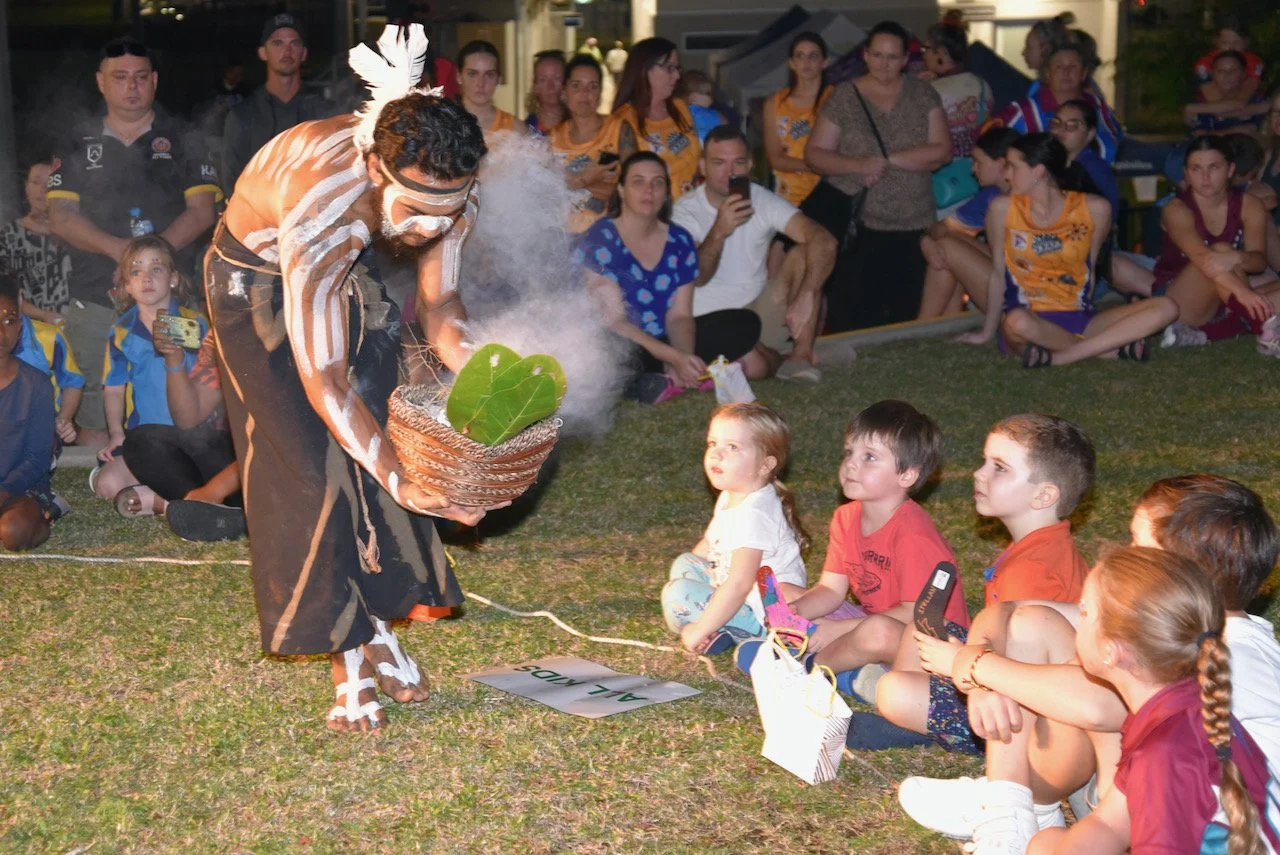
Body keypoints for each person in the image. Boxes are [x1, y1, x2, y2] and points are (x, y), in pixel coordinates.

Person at [206, 24, 498, 732]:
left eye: (448, 210)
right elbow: (324, 381)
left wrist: (494, 369)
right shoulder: (325, 204)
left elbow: (443, 307)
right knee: (309, 465)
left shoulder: (448, 188)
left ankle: (377, 625)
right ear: (376, 169)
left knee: (385, 425)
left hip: (343, 271)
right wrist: (405, 478)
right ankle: (350, 656)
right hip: (256, 284)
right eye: (420, 208)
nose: (432, 228)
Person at [900, 474, 1280, 853]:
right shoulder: (1175, 624)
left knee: (1082, 680)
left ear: (1177, 573)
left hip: (1194, 820)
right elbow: (1011, 611)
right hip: (1128, 800)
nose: (1125, 553)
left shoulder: (1224, 656)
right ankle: (1009, 808)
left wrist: (976, 666)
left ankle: (1017, 805)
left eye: (1137, 545)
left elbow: (1098, 707)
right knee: (1033, 626)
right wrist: (977, 665)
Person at [1029, 548, 1279, 854]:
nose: (1078, 620)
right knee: (1047, 844)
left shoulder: (1163, 755)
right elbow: (1111, 822)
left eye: (1084, 611)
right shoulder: (1186, 705)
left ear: (1110, 651)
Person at [873, 413, 1093, 755]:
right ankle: (915, 718)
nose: (979, 473)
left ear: (1043, 495)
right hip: (1002, 674)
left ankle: (921, 718)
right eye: (984, 462)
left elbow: (1023, 676)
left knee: (891, 690)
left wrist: (958, 662)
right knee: (920, 629)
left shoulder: (1033, 569)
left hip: (1025, 715)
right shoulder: (1041, 546)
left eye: (999, 467)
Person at [48, 36, 220, 439]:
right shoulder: (77, 140)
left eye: (140, 77)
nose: (131, 86)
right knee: (94, 399)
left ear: (155, 81)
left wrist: (151, 259)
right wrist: (121, 252)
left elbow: (202, 212)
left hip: (170, 302)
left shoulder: (183, 137)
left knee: (175, 394)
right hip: (94, 295)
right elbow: (59, 216)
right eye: (120, 77)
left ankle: (165, 472)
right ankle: (108, 469)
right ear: (101, 82)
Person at [770, 401, 968, 681]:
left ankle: (806, 670)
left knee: (876, 632)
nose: (851, 463)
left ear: (907, 474)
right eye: (850, 452)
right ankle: (853, 670)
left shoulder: (914, 535)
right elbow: (830, 589)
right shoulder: (846, 517)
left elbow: (914, 613)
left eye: (869, 457)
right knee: (785, 591)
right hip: (869, 622)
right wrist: (795, 614)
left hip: (928, 646)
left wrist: (838, 630)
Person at [961, 134, 1178, 367]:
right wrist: (987, 332)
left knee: (1167, 307)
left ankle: (1061, 356)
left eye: (1012, 167)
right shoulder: (1002, 208)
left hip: (1080, 317)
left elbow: (1090, 270)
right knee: (1016, 323)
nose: (1005, 175)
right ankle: (1107, 350)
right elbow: (997, 274)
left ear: (1038, 172)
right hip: (1029, 319)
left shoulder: (1094, 208)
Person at [574, 152, 757, 404]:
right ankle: (659, 376)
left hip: (663, 340)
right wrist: (674, 357)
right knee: (609, 355)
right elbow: (614, 320)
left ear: (666, 193)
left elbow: (680, 316)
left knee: (744, 323)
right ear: (622, 190)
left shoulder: (680, 240)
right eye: (638, 181)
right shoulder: (600, 238)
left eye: (657, 182)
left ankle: (669, 378)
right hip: (621, 340)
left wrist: (683, 357)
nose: (649, 190)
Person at [805, 21, 952, 331]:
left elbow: (942, 151)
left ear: (904, 59)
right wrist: (859, 165)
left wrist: (887, 160)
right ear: (866, 56)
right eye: (878, 55)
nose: (885, 64)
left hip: (915, 222)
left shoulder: (923, 93)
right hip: (861, 225)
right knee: (855, 316)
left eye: (893, 57)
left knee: (907, 313)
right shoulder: (845, 96)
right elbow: (815, 154)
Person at [671, 125, 836, 382]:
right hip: (708, 322)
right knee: (752, 367)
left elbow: (824, 241)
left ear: (749, 165)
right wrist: (718, 231)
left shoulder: (762, 200)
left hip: (757, 312)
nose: (730, 172)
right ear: (703, 167)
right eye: (719, 163)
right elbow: (698, 277)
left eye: (738, 162)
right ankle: (779, 358)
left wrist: (807, 293)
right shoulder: (685, 211)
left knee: (806, 253)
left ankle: (801, 357)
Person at [662, 403, 810, 653]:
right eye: (712, 444)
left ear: (764, 465)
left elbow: (740, 584)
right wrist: (694, 570)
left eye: (732, 447)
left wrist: (697, 629)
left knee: (678, 594)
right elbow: (709, 545)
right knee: (684, 564)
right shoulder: (733, 493)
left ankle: (720, 629)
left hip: (764, 614)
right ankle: (722, 627)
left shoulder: (755, 515)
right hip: (734, 590)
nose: (716, 455)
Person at [90, 236, 208, 509]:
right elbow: (114, 388)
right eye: (136, 271)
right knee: (107, 486)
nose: (146, 278)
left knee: (199, 476)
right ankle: (163, 497)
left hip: (193, 436)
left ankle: (154, 499)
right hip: (146, 439)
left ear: (174, 279)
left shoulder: (196, 323)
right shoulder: (121, 331)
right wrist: (117, 433)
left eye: (156, 269)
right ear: (127, 285)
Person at [1151, 136, 1280, 354]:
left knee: (1226, 255)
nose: (1205, 177)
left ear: (1230, 170)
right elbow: (1205, 261)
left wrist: (1238, 257)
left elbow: (1258, 262)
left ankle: (1208, 333)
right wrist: (1245, 293)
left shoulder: (1250, 205)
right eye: (1196, 168)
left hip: (1229, 296)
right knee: (1219, 251)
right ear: (1186, 173)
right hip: (1182, 300)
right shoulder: (1176, 209)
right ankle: (1261, 328)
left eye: (1214, 167)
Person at [222, 14, 336, 192]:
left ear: (304, 53)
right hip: (260, 217)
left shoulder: (326, 113)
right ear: (262, 52)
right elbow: (233, 188)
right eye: (277, 43)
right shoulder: (242, 116)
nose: (287, 51)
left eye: (294, 43)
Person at [917, 127, 1019, 318]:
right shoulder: (991, 195)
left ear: (1001, 164)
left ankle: (921, 327)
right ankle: (947, 325)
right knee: (947, 243)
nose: (973, 169)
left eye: (978, 162)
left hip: (1027, 297)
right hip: (1007, 277)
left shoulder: (1031, 196)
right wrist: (927, 242)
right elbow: (942, 229)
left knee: (947, 247)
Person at [0, 276, 61, 552]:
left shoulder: (35, 384)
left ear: (20, 328)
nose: (1, 333)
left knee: (14, 532)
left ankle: (46, 512)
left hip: (19, 487)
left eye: (9, 321)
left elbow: (37, 458)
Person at [994, 42, 1122, 164]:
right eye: (1059, 66)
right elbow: (993, 152)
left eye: (1073, 66)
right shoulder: (1022, 111)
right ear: (1047, 73)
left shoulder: (1100, 108)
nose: (1066, 72)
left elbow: (1117, 143)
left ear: (1083, 73)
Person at [613, 38, 700, 200]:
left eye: (677, 68)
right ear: (645, 69)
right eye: (669, 68)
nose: (677, 75)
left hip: (694, 210)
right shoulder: (622, 121)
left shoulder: (680, 107)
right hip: (656, 215)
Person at [549, 55, 623, 235]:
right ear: (564, 92)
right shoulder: (551, 140)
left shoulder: (618, 129)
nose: (585, 93)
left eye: (593, 86)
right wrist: (586, 177)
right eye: (576, 86)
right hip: (564, 240)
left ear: (600, 93)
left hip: (610, 236)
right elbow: (547, 195)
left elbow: (634, 184)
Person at [922, 21, 993, 206]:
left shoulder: (930, 90)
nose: (924, 54)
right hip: (977, 173)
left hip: (939, 176)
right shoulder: (982, 85)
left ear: (942, 52)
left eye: (926, 48)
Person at [762, 32, 832, 209]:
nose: (806, 62)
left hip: (829, 194)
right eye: (800, 56)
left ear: (825, 62)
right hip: (788, 198)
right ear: (791, 63)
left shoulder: (836, 99)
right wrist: (813, 166)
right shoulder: (775, 103)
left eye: (813, 56)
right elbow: (775, 158)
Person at [0, 161, 72, 324]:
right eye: (36, 182)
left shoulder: (78, 233)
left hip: (80, 327)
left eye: (50, 183)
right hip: (29, 330)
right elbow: (4, 290)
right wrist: (42, 315)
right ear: (26, 188)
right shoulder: (8, 235)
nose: (43, 189)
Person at [1051, 99, 1118, 217]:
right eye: (1056, 123)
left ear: (1090, 134)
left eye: (1071, 125)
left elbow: (1108, 217)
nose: (1060, 130)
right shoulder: (1047, 163)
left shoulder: (1096, 169)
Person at [1184, 51, 1269, 138]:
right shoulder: (1199, 100)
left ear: (1244, 74)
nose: (1227, 75)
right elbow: (1195, 133)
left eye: (1233, 70)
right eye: (1220, 71)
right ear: (1212, 75)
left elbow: (1253, 130)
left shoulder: (1256, 100)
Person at [458, 40, 523, 144]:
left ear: (499, 79)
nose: (480, 83)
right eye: (472, 74)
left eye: (489, 75)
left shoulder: (516, 129)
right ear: (459, 76)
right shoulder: (442, 125)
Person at [1193, 15, 1264, 100]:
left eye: (1237, 43)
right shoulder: (1204, 63)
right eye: (1225, 43)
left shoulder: (1254, 62)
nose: (1231, 48)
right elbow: (1214, 99)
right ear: (1216, 42)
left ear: (1246, 42)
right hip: (1210, 107)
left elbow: (1242, 98)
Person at [676, 70, 726, 144]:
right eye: (708, 94)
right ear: (693, 97)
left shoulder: (677, 113)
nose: (712, 98)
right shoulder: (709, 114)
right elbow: (729, 130)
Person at [524, 50, 565, 136]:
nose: (550, 87)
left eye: (556, 78)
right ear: (535, 86)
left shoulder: (577, 124)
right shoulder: (526, 130)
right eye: (543, 80)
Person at [1021, 14, 1075, 80]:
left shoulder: (1063, 87)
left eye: (1029, 47)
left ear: (1045, 49)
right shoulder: (1040, 85)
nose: (1023, 53)